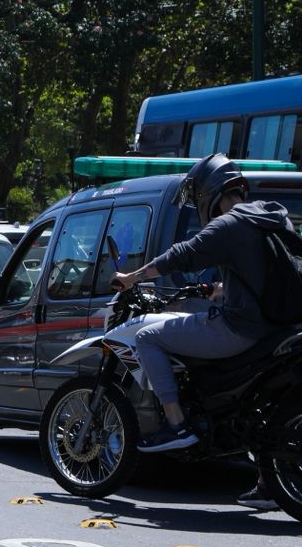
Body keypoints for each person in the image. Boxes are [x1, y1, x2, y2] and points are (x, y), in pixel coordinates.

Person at [111, 154, 291, 509]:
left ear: (211, 192)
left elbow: (182, 255)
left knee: (148, 337)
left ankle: (177, 425)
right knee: (254, 402)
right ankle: (268, 484)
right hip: (273, 329)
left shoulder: (229, 224)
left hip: (237, 329)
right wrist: (219, 291)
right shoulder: (268, 215)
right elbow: (262, 278)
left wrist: (131, 277)